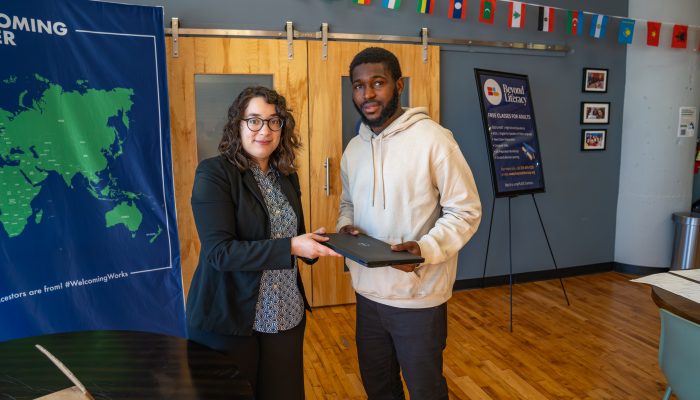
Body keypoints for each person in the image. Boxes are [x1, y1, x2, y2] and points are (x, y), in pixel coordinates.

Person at [337, 47, 482, 400]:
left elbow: (466, 210)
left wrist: (425, 249)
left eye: (377, 83)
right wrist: (345, 226)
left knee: (425, 390)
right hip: (368, 293)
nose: (367, 94)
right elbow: (348, 203)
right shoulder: (354, 148)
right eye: (358, 86)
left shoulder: (433, 140)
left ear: (398, 85)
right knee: (379, 387)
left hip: (418, 296)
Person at [186, 86, 340, 400]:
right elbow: (220, 253)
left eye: (274, 122)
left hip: (284, 314)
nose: (264, 130)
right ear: (237, 125)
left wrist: (320, 243)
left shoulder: (286, 176)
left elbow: (293, 235)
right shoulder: (214, 173)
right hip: (229, 318)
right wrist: (293, 247)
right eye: (254, 121)